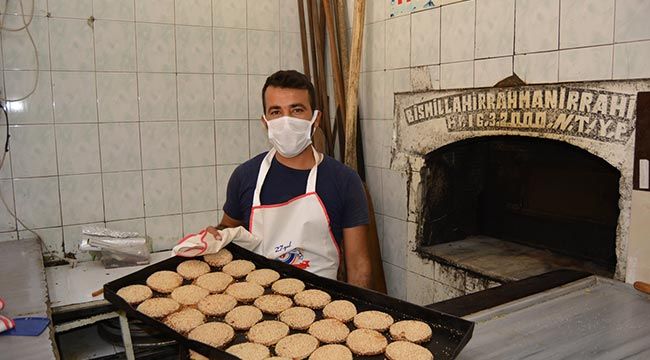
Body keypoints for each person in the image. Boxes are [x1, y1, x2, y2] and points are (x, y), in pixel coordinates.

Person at [206, 70, 372, 288]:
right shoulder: (245, 176)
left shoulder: (345, 181)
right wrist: (215, 234)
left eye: (297, 110)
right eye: (276, 112)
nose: (286, 121)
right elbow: (227, 228)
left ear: (315, 119)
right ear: (265, 122)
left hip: (323, 305)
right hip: (258, 303)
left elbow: (359, 267)